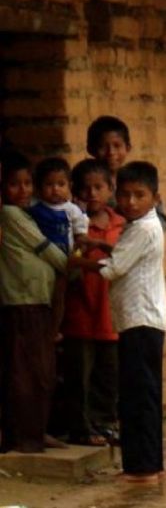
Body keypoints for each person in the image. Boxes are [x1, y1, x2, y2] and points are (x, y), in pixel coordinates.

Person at [72, 161, 166, 483]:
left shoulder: (141, 228)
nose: (130, 202)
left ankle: (141, 469)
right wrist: (100, 245)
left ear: (155, 197)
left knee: (137, 398)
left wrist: (74, 262)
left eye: (139, 195)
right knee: (144, 396)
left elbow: (113, 269)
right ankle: (150, 464)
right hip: (144, 321)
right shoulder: (142, 225)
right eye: (125, 195)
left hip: (139, 322)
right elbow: (122, 254)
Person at [0, 151, 68, 453]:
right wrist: (71, 265)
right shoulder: (11, 215)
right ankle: (25, 436)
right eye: (15, 184)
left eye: (28, 183)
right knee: (28, 371)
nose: (23, 190)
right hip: (22, 301)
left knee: (42, 370)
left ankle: (37, 431)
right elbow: (47, 250)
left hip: (37, 300)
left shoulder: (30, 213)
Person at [61, 159, 125, 446]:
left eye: (99, 187)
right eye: (85, 188)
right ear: (75, 191)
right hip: (80, 312)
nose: (92, 194)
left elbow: (123, 259)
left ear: (110, 188)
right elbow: (66, 263)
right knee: (79, 376)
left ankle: (104, 424)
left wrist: (96, 250)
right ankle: (81, 428)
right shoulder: (72, 223)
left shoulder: (121, 224)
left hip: (110, 313)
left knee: (108, 375)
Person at [87, 115, 166, 230]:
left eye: (117, 146)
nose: (111, 152)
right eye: (103, 147)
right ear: (91, 149)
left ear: (128, 147)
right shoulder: (84, 183)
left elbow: (162, 222)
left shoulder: (137, 179)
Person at [26, 156, 89, 254]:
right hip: (40, 256)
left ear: (70, 186)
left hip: (65, 258)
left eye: (61, 184)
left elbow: (80, 235)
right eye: (49, 184)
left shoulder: (73, 210)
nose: (55, 189)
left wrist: (78, 253)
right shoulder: (33, 204)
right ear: (39, 187)